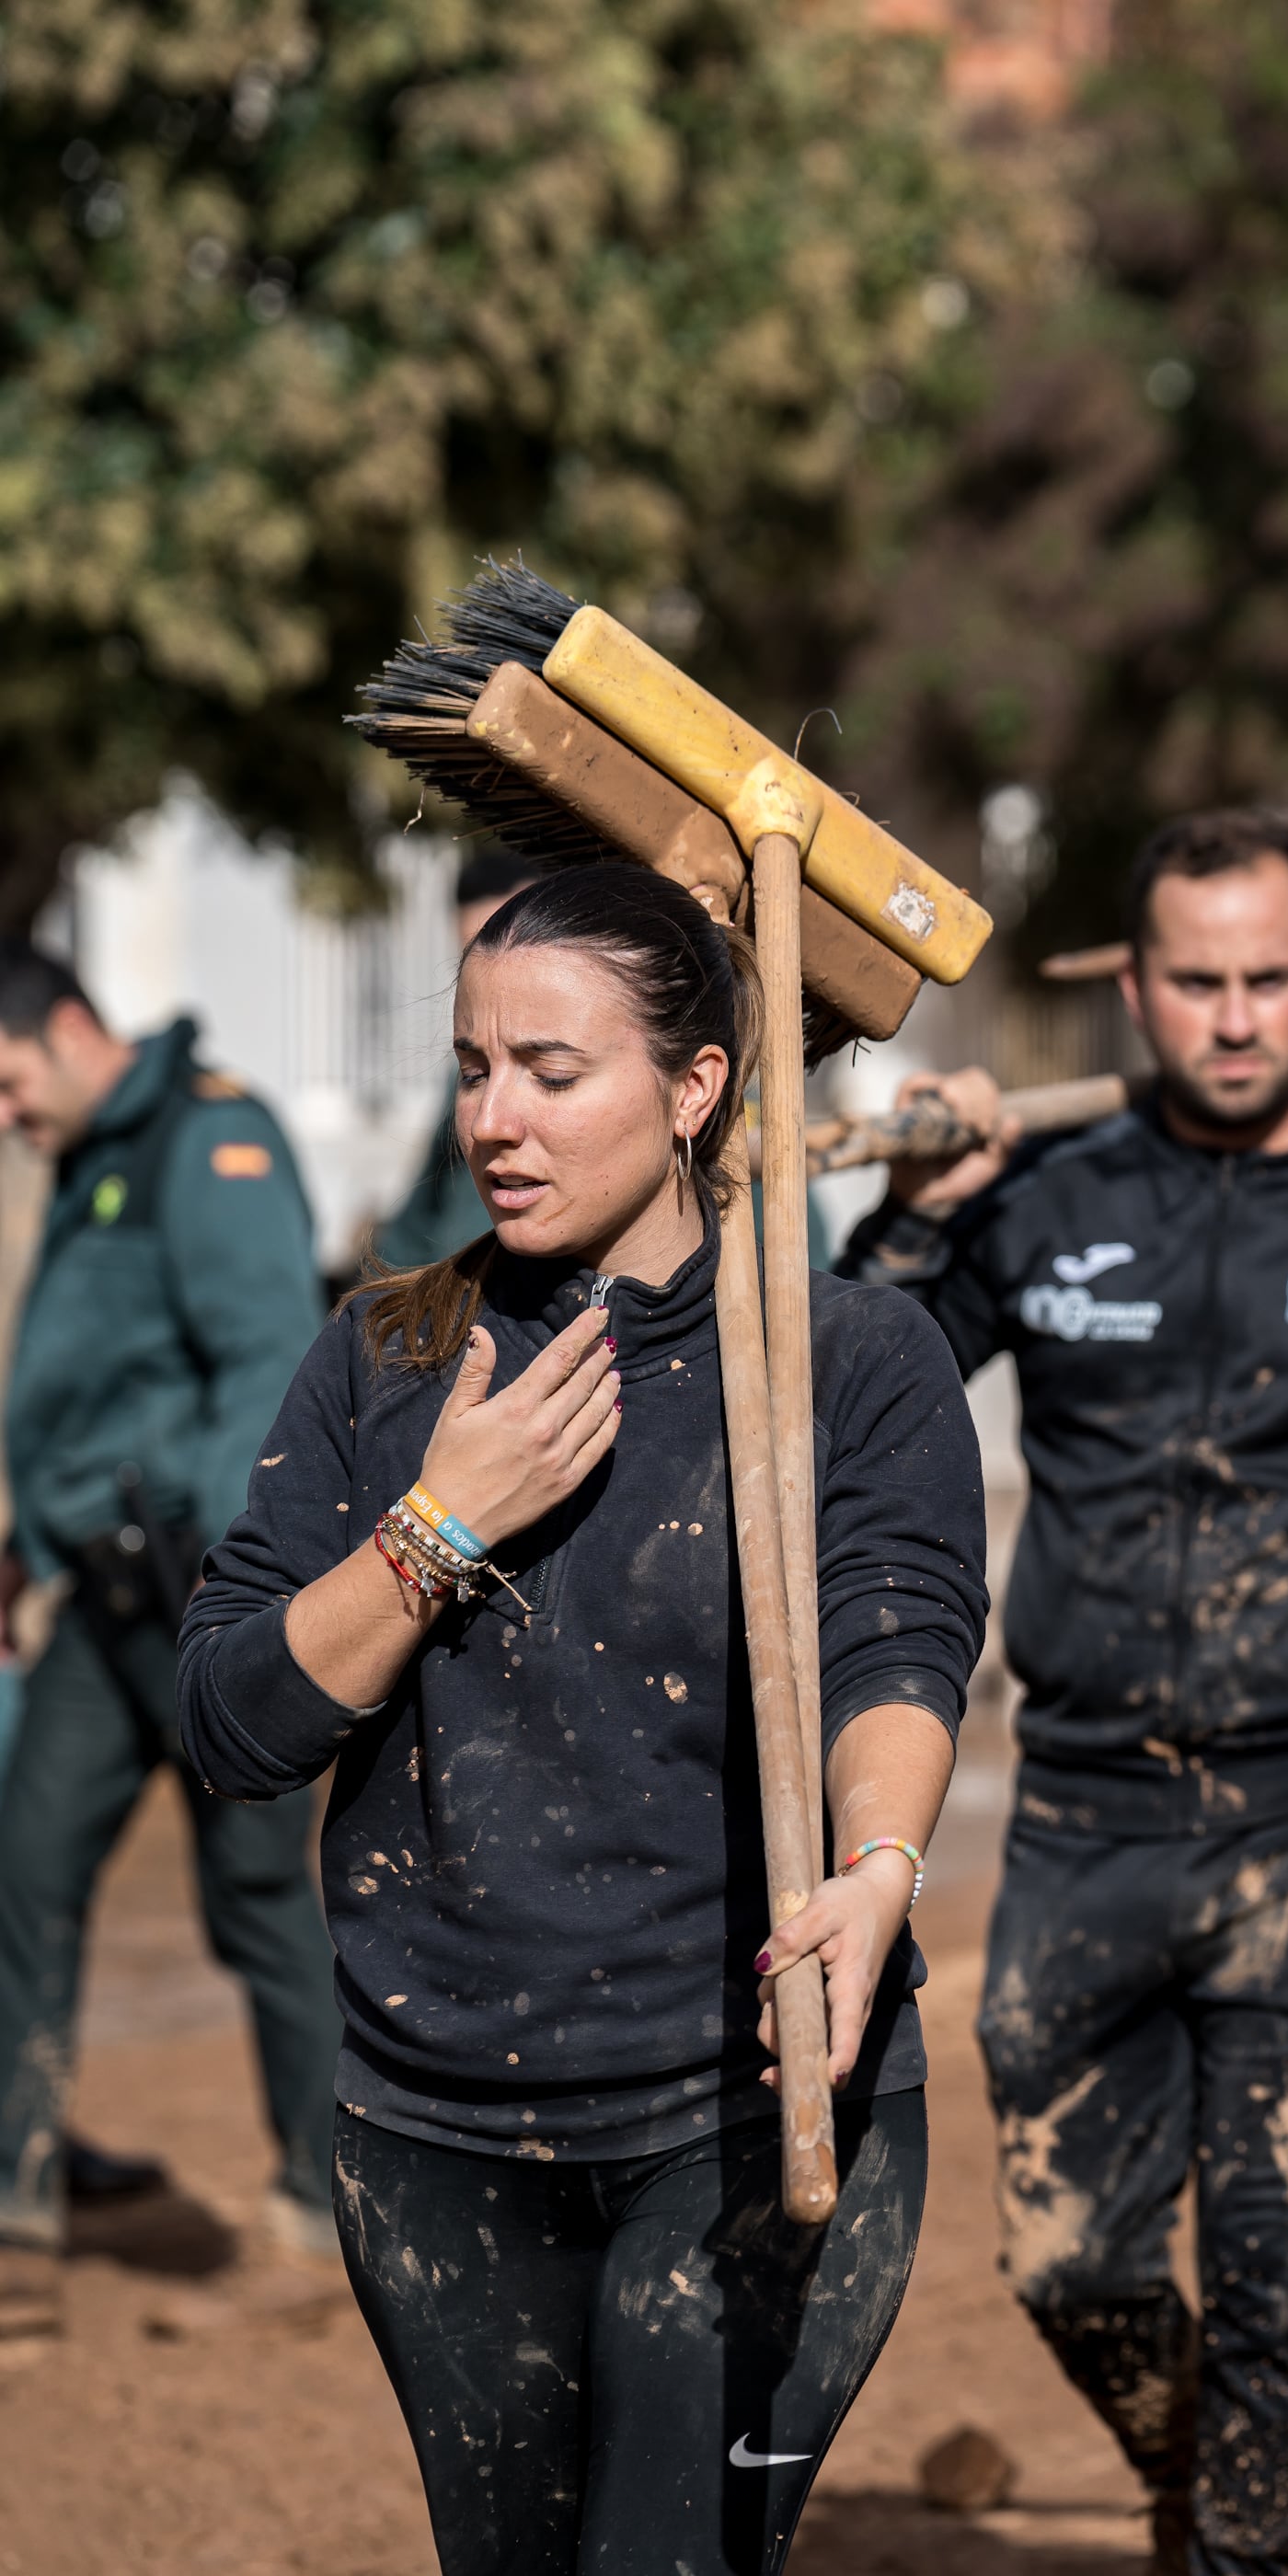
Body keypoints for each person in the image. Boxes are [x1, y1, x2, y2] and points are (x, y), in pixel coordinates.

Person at [177, 865, 988, 2573]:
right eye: (475, 1068)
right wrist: (433, 1530)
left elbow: (897, 1658)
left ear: (697, 1089)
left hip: (745, 2109)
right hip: (435, 2123)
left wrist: (878, 1871)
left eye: (554, 1072)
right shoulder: (389, 1360)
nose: (496, 1118)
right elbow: (235, 1726)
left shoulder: (850, 1359)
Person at [841, 810, 1288, 2576]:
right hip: (1081, 1813)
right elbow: (849, 1394)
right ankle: (1206, 2478)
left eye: (1268, 980)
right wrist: (911, 1227)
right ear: (1134, 990)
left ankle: (1241, 2551)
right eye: (1195, 983)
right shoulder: (1046, 1190)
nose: (1233, 1017)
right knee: (1072, 2262)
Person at [0, 942, 336, 2335]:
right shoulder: (97, 1149)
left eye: (9, 1078)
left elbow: (266, 1359)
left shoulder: (212, 1138)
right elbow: (93, 1381)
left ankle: (321, 2220)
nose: (5, 1111)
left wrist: (239, 1584)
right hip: (95, 1596)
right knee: (26, 1868)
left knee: (260, 1902)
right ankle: (15, 2202)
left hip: (203, 1598)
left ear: (71, 1030)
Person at [367, 843, 545, 1275]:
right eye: (473, 953)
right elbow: (418, 1215)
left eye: (556, 1078)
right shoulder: (462, 1074)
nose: (489, 1125)